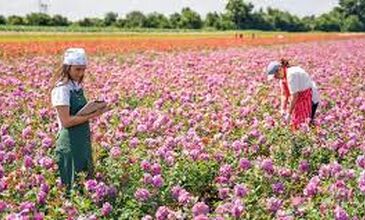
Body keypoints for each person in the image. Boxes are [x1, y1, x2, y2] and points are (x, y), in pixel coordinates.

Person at [51, 48, 108, 190]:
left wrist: (95, 107)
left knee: (85, 181)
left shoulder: (76, 86)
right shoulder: (61, 89)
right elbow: (66, 121)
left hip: (82, 139)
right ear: (67, 68)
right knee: (72, 182)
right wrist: (92, 115)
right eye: (77, 69)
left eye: (83, 69)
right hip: (69, 141)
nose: (81, 73)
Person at [266, 59, 320, 129]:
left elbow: (294, 96)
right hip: (299, 99)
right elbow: (284, 94)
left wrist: (289, 113)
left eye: (275, 76)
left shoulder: (291, 75)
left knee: (304, 123)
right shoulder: (282, 79)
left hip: (309, 99)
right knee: (298, 123)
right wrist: (283, 109)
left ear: (279, 70)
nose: (275, 78)